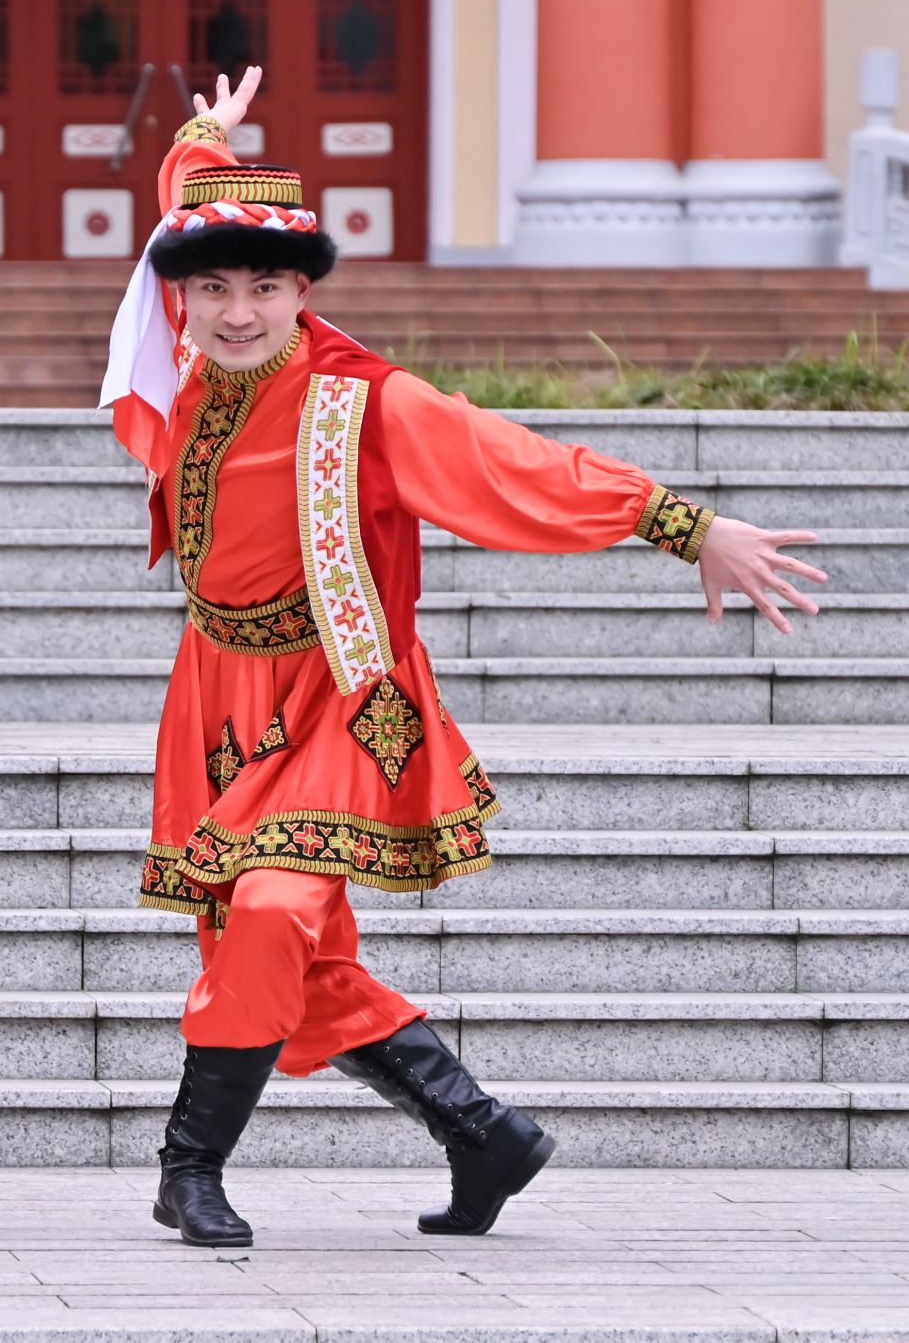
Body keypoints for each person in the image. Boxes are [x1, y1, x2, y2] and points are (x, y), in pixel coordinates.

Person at [101, 69, 827, 1249]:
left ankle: (186, 1169)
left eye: (264, 287)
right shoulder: (193, 373)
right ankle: (481, 1131)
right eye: (212, 288)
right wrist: (202, 139)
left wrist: (684, 524)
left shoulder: (365, 406)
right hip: (217, 693)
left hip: (340, 690)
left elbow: (514, 464)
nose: (236, 312)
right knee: (289, 954)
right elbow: (180, 197)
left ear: (300, 293)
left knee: (271, 910)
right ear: (177, 296)